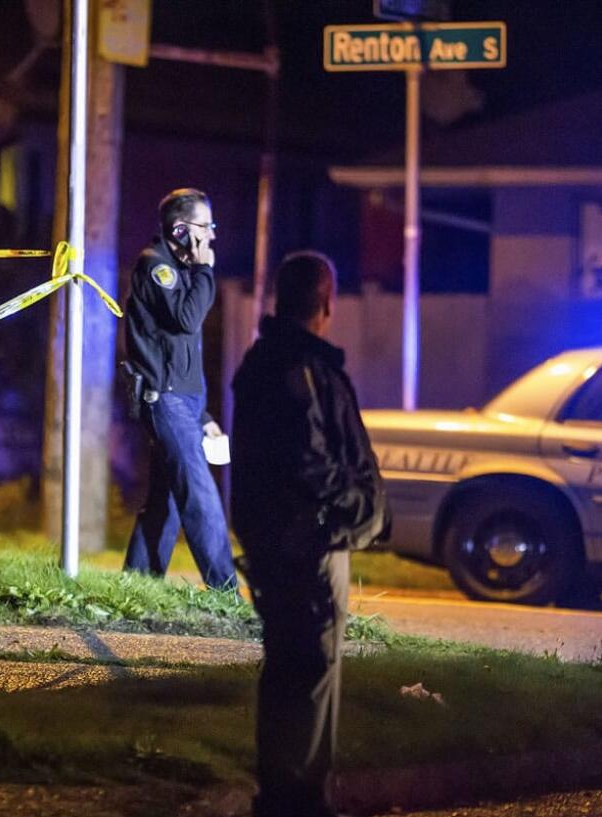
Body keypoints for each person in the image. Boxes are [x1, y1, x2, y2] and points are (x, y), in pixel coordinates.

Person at [230, 250, 388, 817]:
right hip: (309, 548)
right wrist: (356, 508)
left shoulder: (273, 362)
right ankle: (297, 801)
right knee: (308, 674)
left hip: (292, 543)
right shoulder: (296, 369)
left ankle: (293, 796)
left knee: (298, 673)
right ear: (325, 301)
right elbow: (309, 462)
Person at [122, 187, 237, 591]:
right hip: (165, 401)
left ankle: (136, 586)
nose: (212, 237)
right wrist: (206, 270)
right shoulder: (158, 268)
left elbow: (181, 349)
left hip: (185, 403)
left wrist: (203, 416)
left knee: (165, 503)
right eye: (206, 227)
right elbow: (187, 320)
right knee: (200, 496)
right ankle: (225, 595)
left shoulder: (182, 273)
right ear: (181, 230)